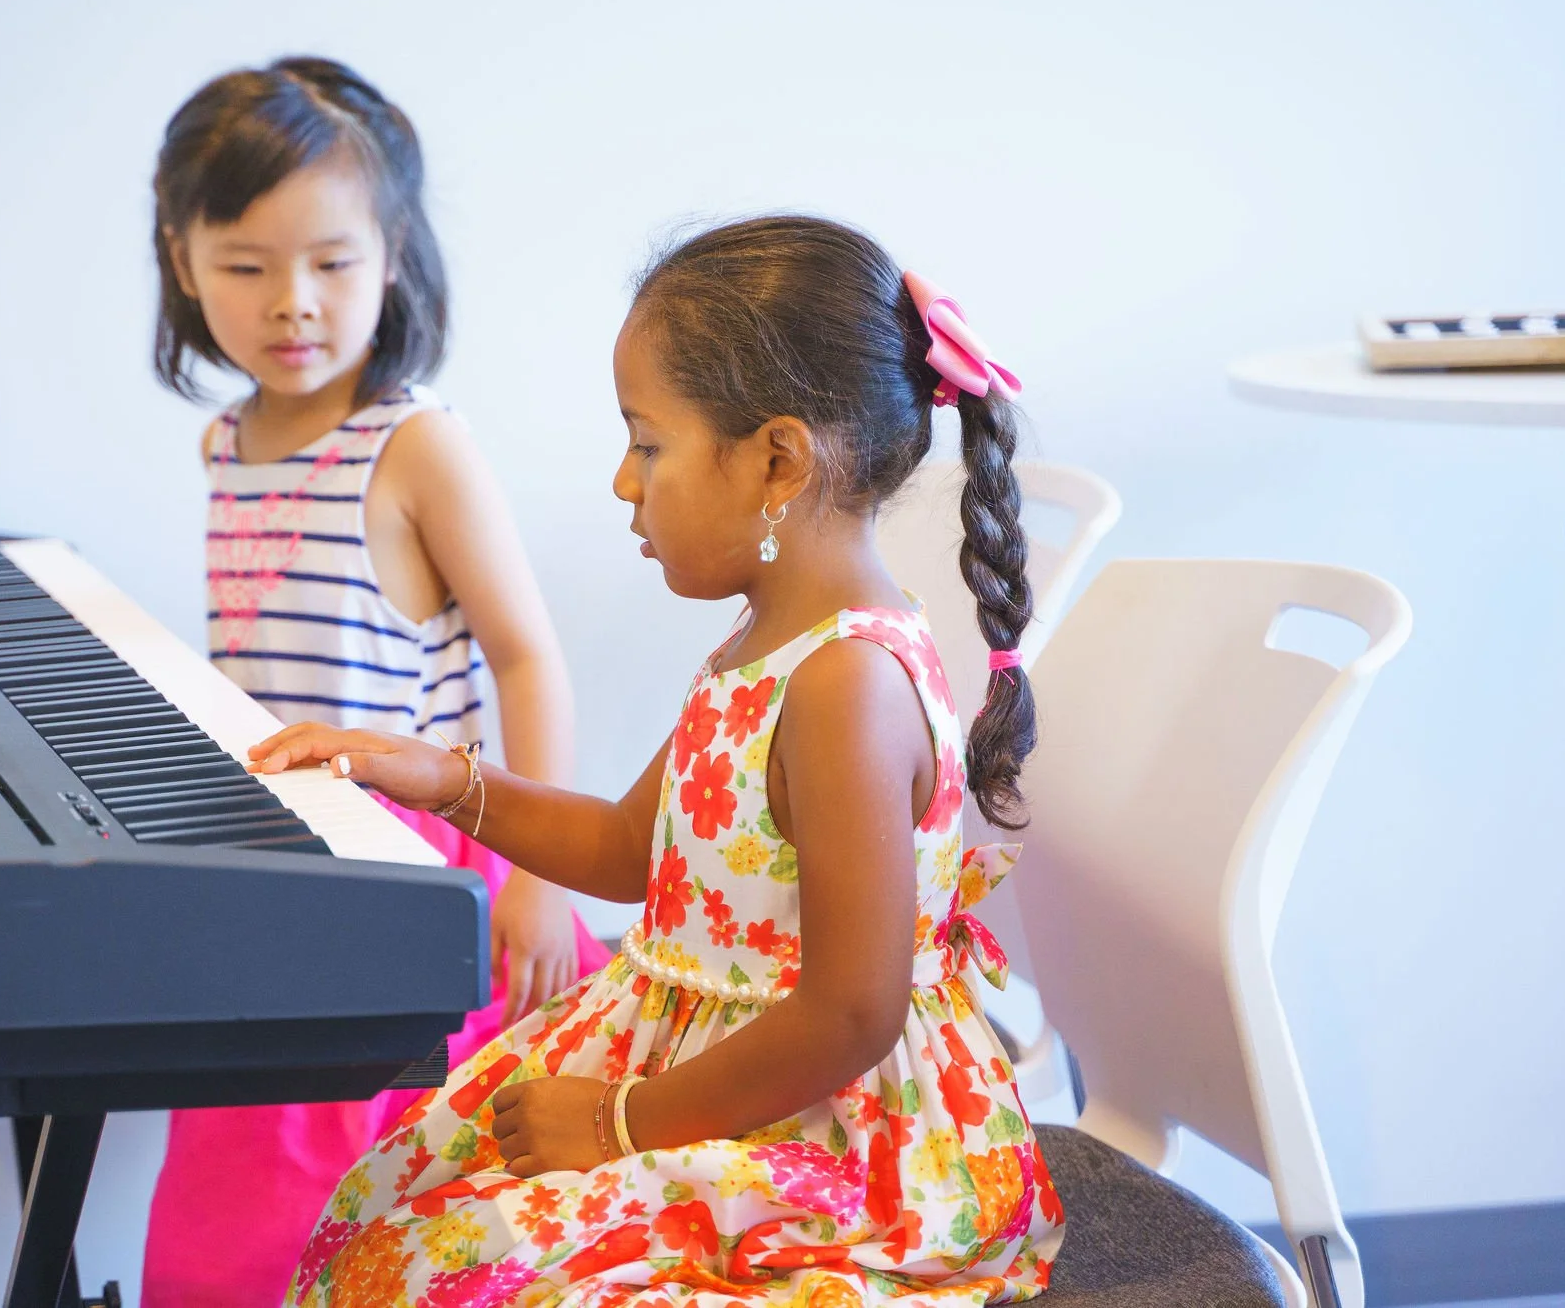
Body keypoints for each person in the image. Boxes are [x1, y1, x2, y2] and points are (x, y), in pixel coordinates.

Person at [249, 215, 1066, 1304]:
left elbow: (852, 1012)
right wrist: (449, 782)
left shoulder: (842, 686)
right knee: (395, 1219)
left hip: (834, 1139)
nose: (623, 484)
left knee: (454, 1278)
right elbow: (637, 850)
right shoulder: (757, 646)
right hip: (706, 1075)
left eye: (646, 443)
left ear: (776, 459)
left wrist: (613, 1121)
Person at [140, 57, 611, 1308]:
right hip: (283, 858)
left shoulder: (412, 446)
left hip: (409, 875)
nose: (291, 303)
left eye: (331, 263)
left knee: (349, 1204)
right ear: (181, 261)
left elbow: (527, 657)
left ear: (391, 256)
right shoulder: (224, 442)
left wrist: (539, 885)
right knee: (231, 1199)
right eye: (245, 265)